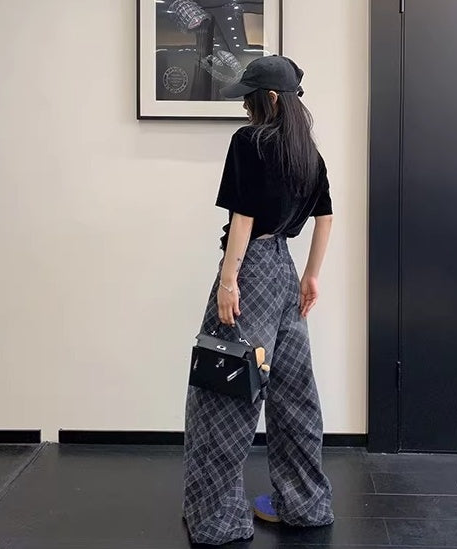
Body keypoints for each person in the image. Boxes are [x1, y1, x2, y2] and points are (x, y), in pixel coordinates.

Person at [183, 55, 334, 546]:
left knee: (223, 391)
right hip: (287, 271)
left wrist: (229, 281)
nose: (246, 109)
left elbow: (243, 218)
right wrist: (311, 277)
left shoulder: (249, 142)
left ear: (269, 98)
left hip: (251, 271)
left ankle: (217, 518)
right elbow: (326, 216)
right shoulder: (308, 153)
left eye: (249, 100)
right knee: (294, 392)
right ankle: (306, 504)